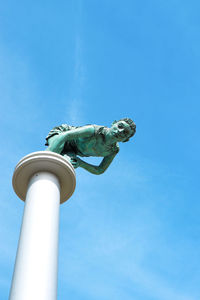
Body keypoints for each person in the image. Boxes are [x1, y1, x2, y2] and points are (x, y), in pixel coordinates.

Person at [45, 118, 136, 175]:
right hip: (62, 134)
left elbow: (99, 170)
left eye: (125, 133)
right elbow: (65, 136)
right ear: (114, 123)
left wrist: (81, 163)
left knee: (66, 164)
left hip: (72, 150)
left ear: (125, 140)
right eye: (120, 126)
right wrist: (46, 159)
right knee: (49, 160)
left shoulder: (113, 150)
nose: (120, 131)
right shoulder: (94, 130)